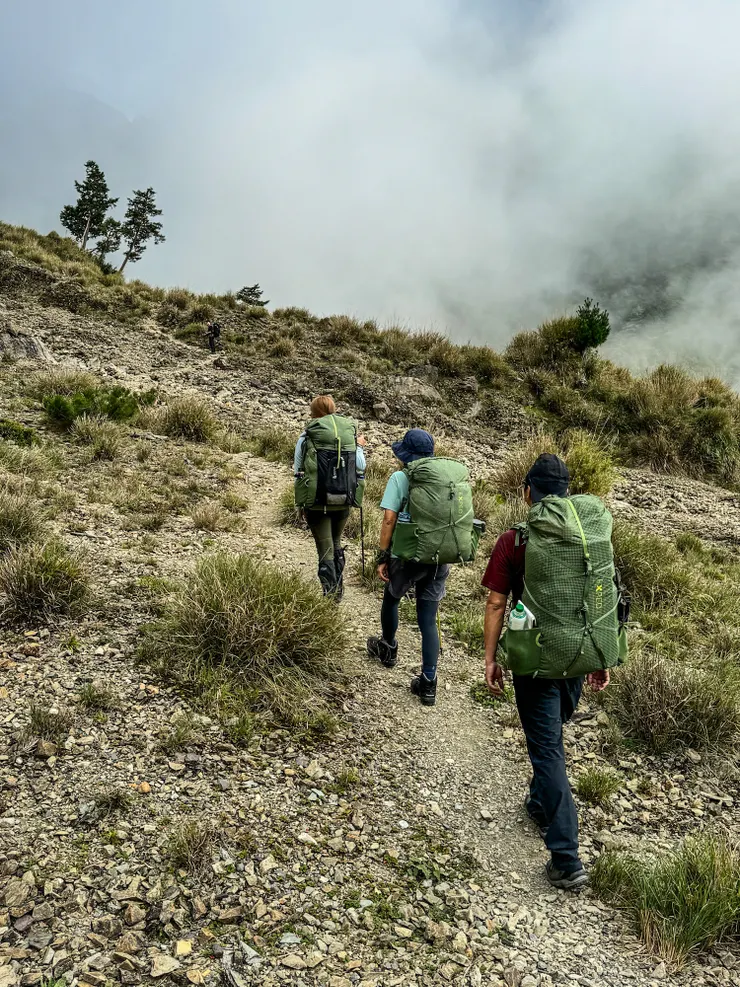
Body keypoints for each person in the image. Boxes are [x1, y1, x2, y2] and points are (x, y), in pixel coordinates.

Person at [481, 454, 610, 892]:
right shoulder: (588, 538)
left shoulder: (514, 540)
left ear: (527, 493)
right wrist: (601, 656)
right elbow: (598, 594)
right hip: (578, 654)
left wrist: (490, 658)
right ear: (568, 491)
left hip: (534, 659)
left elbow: (497, 602)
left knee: (548, 749)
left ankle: (566, 857)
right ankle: (539, 803)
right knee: (553, 733)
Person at [367, 429, 450, 707]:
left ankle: (388, 648)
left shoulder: (400, 478)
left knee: (392, 596)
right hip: (439, 555)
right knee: (428, 619)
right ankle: (428, 683)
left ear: (405, 456)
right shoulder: (445, 480)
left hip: (408, 553)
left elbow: (390, 519)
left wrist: (383, 556)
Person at [294, 395, 366, 598]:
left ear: (314, 412)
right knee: (336, 542)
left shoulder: (307, 435)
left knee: (324, 547)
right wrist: (359, 446)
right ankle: (338, 590)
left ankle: (330, 597)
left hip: (316, 501)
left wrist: (299, 503)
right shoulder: (348, 435)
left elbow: (298, 470)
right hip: (344, 499)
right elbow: (361, 465)